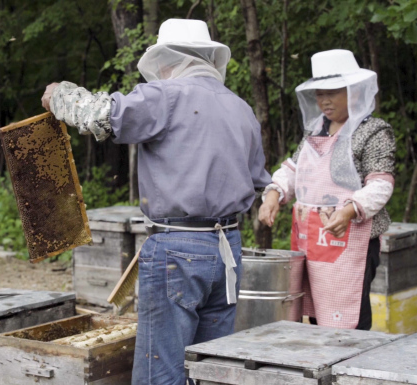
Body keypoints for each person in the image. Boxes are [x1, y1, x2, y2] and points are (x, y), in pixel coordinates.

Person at [42, 18, 271, 385]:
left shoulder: (165, 96)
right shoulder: (240, 108)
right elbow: (260, 180)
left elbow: (100, 115)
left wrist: (59, 95)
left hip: (177, 250)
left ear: (167, 60)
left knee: (160, 373)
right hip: (228, 249)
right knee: (210, 370)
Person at [259, 49, 395, 330]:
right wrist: (274, 193)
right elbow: (294, 170)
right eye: (320, 94)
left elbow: (381, 185)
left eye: (333, 93)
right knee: (318, 314)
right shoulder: (316, 130)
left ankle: (350, 370)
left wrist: (349, 210)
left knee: (350, 318)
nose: (324, 101)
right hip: (312, 237)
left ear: (354, 92)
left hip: (352, 238)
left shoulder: (373, 131)